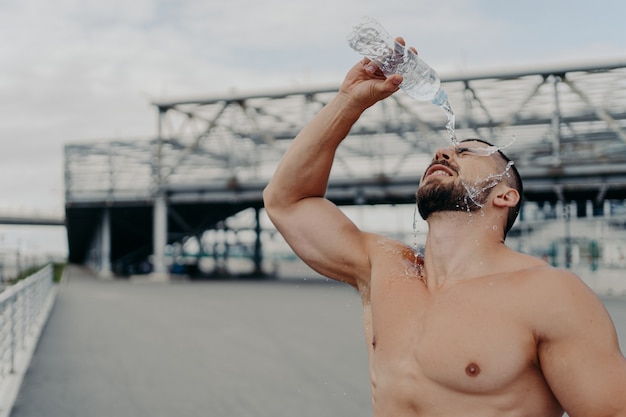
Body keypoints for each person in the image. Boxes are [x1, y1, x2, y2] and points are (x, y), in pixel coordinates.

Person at [262, 38, 626, 417]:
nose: (444, 152)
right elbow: (287, 201)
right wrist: (349, 102)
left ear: (505, 196)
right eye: (447, 149)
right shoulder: (387, 268)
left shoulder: (551, 293)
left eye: (467, 152)